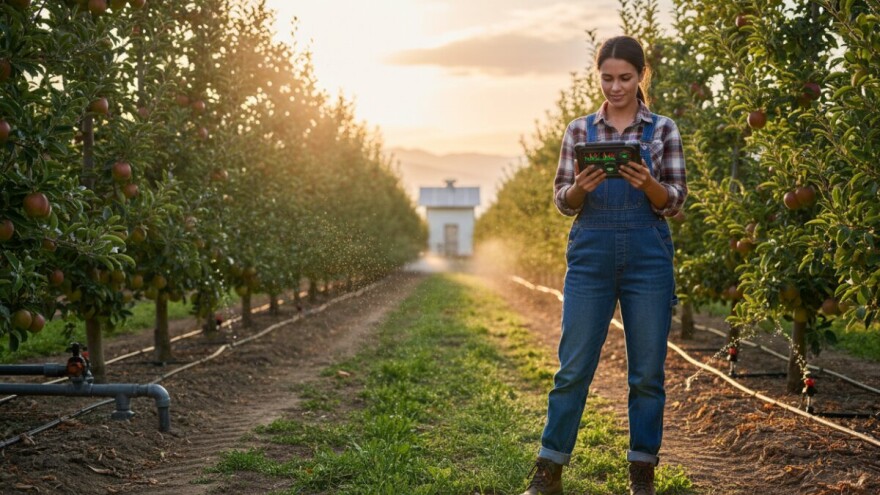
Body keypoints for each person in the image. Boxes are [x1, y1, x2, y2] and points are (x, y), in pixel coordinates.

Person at [521, 35, 687, 495]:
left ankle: (642, 471)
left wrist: (648, 184)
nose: (615, 87)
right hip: (591, 256)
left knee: (647, 373)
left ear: (641, 76)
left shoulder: (662, 129)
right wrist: (581, 187)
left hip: (647, 257)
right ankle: (549, 468)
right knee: (572, 368)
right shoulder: (579, 130)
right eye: (608, 78)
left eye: (625, 78)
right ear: (599, 77)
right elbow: (562, 201)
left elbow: (675, 202)